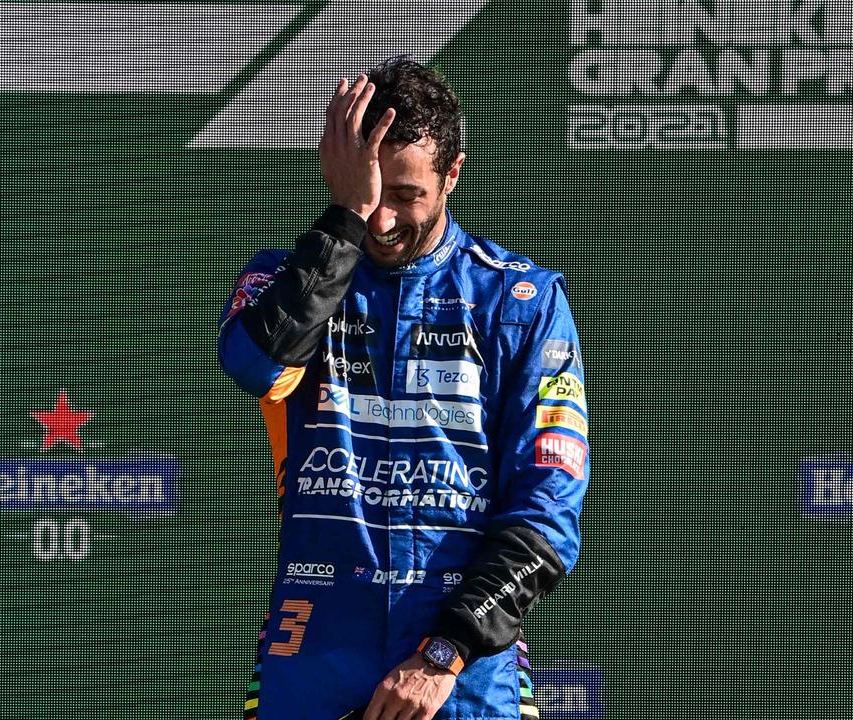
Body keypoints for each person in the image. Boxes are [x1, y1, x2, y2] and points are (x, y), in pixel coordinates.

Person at [218, 56, 589, 720]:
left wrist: (443, 654)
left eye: (406, 195)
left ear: (452, 174)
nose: (383, 220)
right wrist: (343, 220)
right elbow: (256, 366)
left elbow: (545, 518)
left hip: (465, 675)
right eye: (369, 191)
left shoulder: (522, 300)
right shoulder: (287, 277)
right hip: (313, 653)